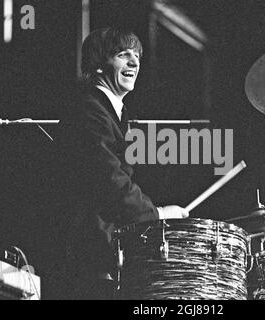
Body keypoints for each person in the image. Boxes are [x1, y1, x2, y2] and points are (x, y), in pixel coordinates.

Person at [52, 27, 189, 299]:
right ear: (99, 65)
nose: (135, 62)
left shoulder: (115, 112)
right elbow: (109, 180)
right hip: (86, 258)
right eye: (123, 55)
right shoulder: (89, 109)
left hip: (101, 255)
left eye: (137, 55)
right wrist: (157, 214)